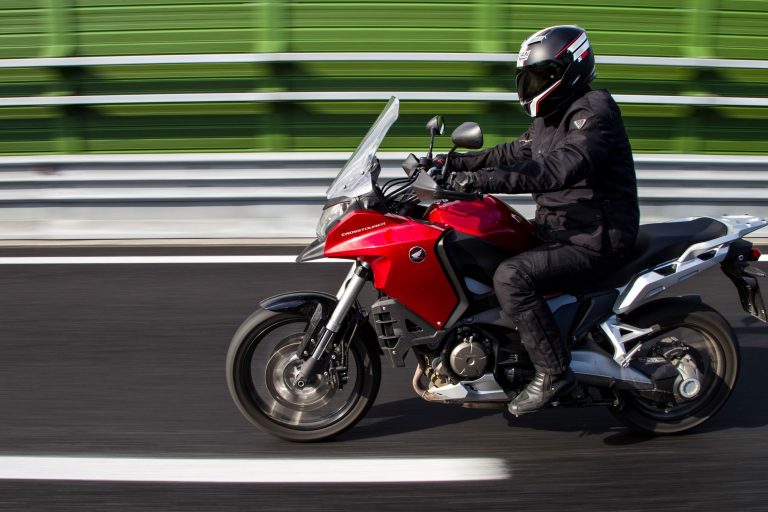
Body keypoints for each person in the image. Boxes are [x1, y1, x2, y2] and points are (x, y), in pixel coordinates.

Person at [444, 25, 640, 415]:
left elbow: (561, 167)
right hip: (559, 229)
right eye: (528, 77)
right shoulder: (548, 117)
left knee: (512, 277)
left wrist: (483, 181)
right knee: (481, 250)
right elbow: (510, 152)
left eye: (541, 75)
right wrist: (452, 164)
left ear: (569, 70)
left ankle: (554, 372)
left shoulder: (593, 111)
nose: (532, 85)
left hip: (596, 236)